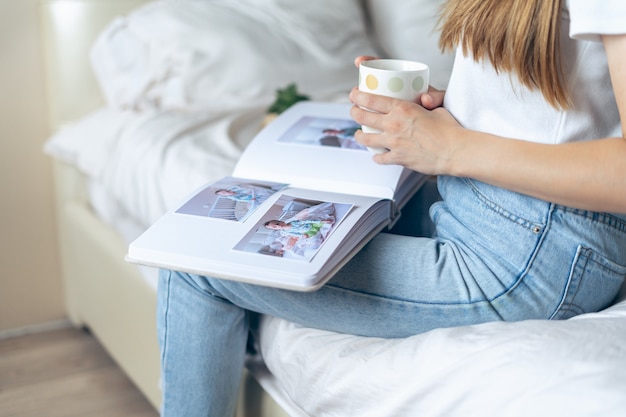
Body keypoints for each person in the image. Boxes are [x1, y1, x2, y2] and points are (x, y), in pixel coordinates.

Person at [157, 1, 626, 416]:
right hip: (480, 203)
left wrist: (452, 148)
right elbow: (562, 107)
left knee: (192, 262)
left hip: (529, 252)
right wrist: (453, 116)